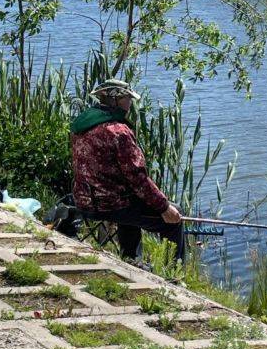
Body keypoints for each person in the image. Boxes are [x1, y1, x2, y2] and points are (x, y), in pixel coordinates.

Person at [70, 78, 185, 262]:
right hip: (110, 205)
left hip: (83, 200)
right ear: (115, 100)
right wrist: (164, 207)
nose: (130, 103)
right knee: (173, 219)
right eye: (127, 98)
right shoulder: (118, 131)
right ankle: (174, 274)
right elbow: (138, 178)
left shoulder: (82, 123)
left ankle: (131, 260)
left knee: (132, 201)